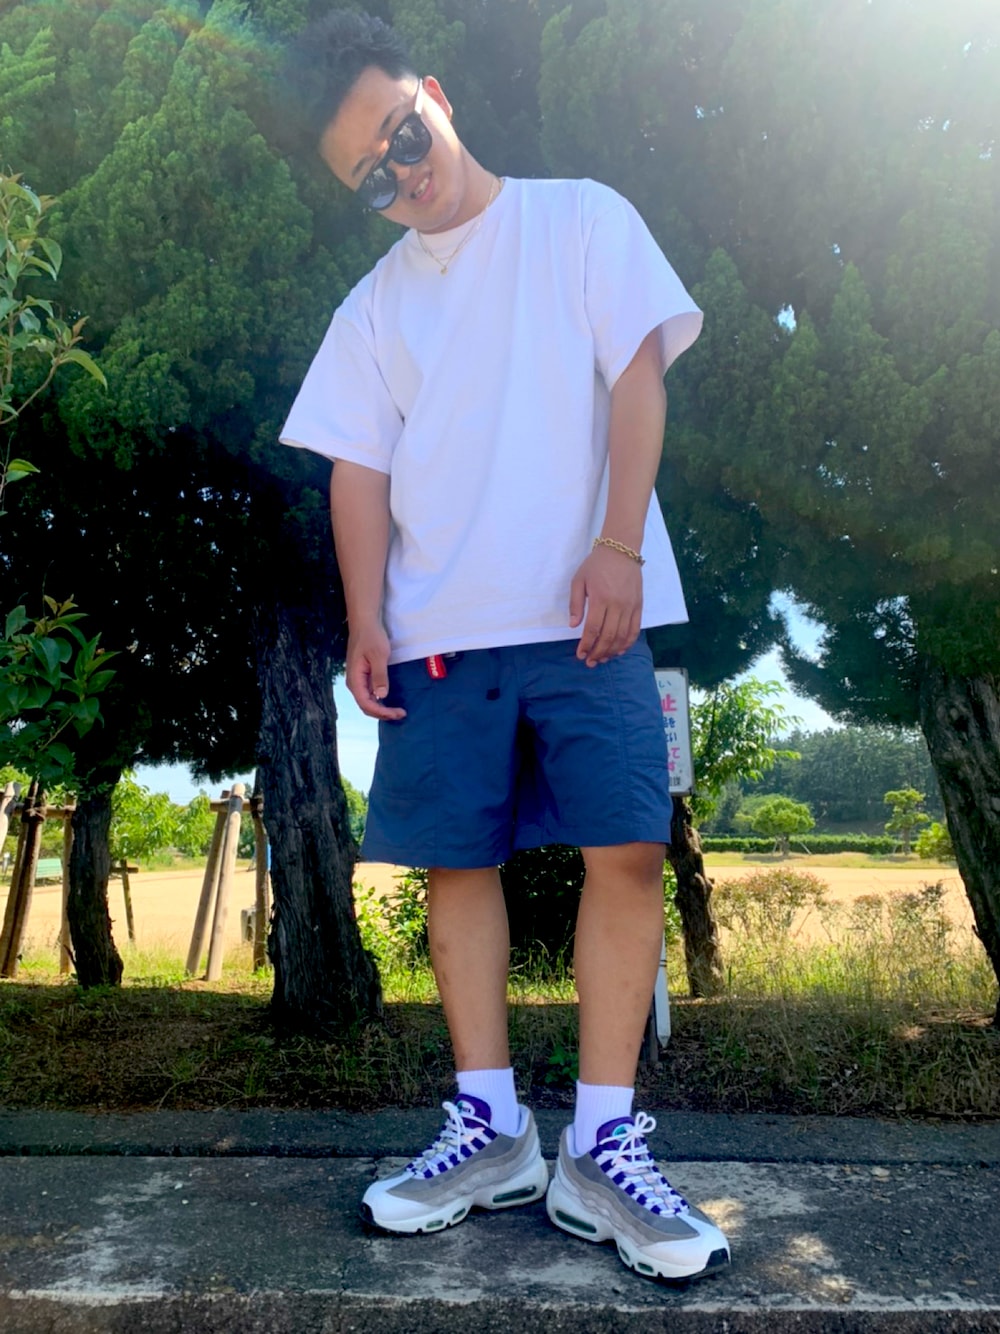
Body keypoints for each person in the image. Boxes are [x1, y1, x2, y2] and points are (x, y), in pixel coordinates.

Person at [278, 10, 730, 1283]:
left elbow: (637, 377)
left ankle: (603, 1145)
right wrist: (365, 616)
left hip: (588, 610)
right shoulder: (374, 308)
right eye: (369, 178)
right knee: (454, 864)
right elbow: (356, 471)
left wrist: (619, 545)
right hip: (437, 631)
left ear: (433, 94)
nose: (399, 174)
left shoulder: (579, 218)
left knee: (628, 847)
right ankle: (490, 1130)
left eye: (402, 136)